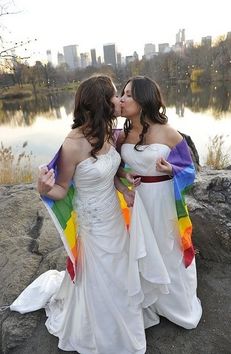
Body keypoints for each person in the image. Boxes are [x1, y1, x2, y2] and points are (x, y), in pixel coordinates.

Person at [10, 75, 146, 354]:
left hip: (113, 218)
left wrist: (125, 188)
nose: (118, 99)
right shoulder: (72, 144)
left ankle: (122, 320)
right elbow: (61, 189)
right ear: (101, 102)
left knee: (120, 272)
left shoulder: (109, 132)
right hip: (92, 225)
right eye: (114, 96)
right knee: (99, 277)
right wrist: (43, 188)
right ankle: (100, 330)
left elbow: (111, 175)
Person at [116, 75, 202, 330]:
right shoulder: (121, 135)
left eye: (129, 94)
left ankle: (175, 304)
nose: (123, 98)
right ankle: (148, 301)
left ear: (144, 99)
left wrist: (171, 169)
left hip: (164, 200)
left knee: (167, 247)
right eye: (123, 93)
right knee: (140, 249)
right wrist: (124, 175)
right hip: (137, 199)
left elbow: (189, 170)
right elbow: (115, 168)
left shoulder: (168, 132)